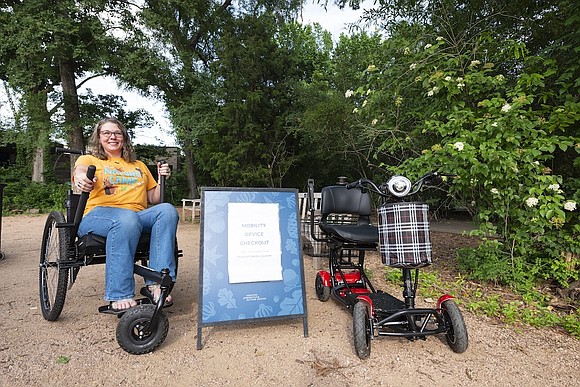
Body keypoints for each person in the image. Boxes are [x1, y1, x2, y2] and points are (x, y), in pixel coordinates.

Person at [73, 117, 179, 312]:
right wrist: (81, 179)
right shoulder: (89, 160)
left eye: (117, 133)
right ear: (98, 137)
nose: (112, 137)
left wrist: (161, 178)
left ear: (124, 137)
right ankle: (120, 293)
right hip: (99, 216)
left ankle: (156, 283)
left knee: (167, 210)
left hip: (135, 216)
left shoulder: (138, 165)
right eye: (106, 133)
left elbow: (154, 198)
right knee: (126, 218)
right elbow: (80, 173)